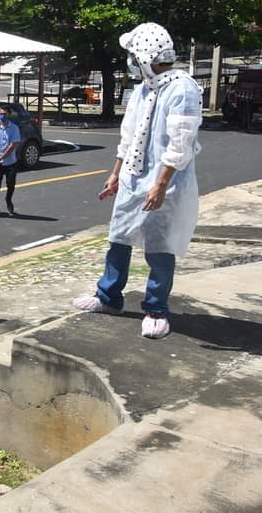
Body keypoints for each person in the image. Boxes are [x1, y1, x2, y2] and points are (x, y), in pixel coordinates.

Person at [72, 23, 203, 340]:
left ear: (145, 56)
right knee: (118, 236)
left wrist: (160, 185)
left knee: (159, 245)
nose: (129, 59)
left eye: (133, 54)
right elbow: (129, 137)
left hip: (164, 180)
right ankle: (109, 297)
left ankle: (156, 308)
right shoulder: (144, 88)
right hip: (133, 177)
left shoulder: (182, 89)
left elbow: (180, 145)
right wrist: (116, 173)